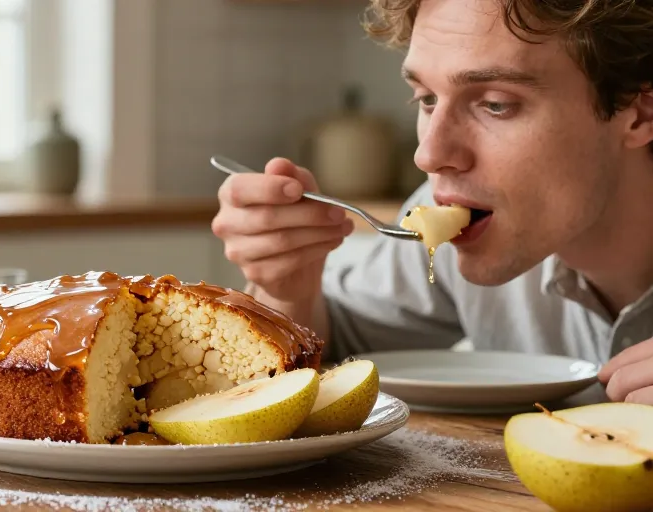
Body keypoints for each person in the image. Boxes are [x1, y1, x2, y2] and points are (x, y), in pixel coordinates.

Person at [212, 0, 653, 404]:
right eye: (426, 99)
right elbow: (333, 345)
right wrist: (286, 287)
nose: (430, 155)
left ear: (639, 113)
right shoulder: (460, 215)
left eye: (496, 105)